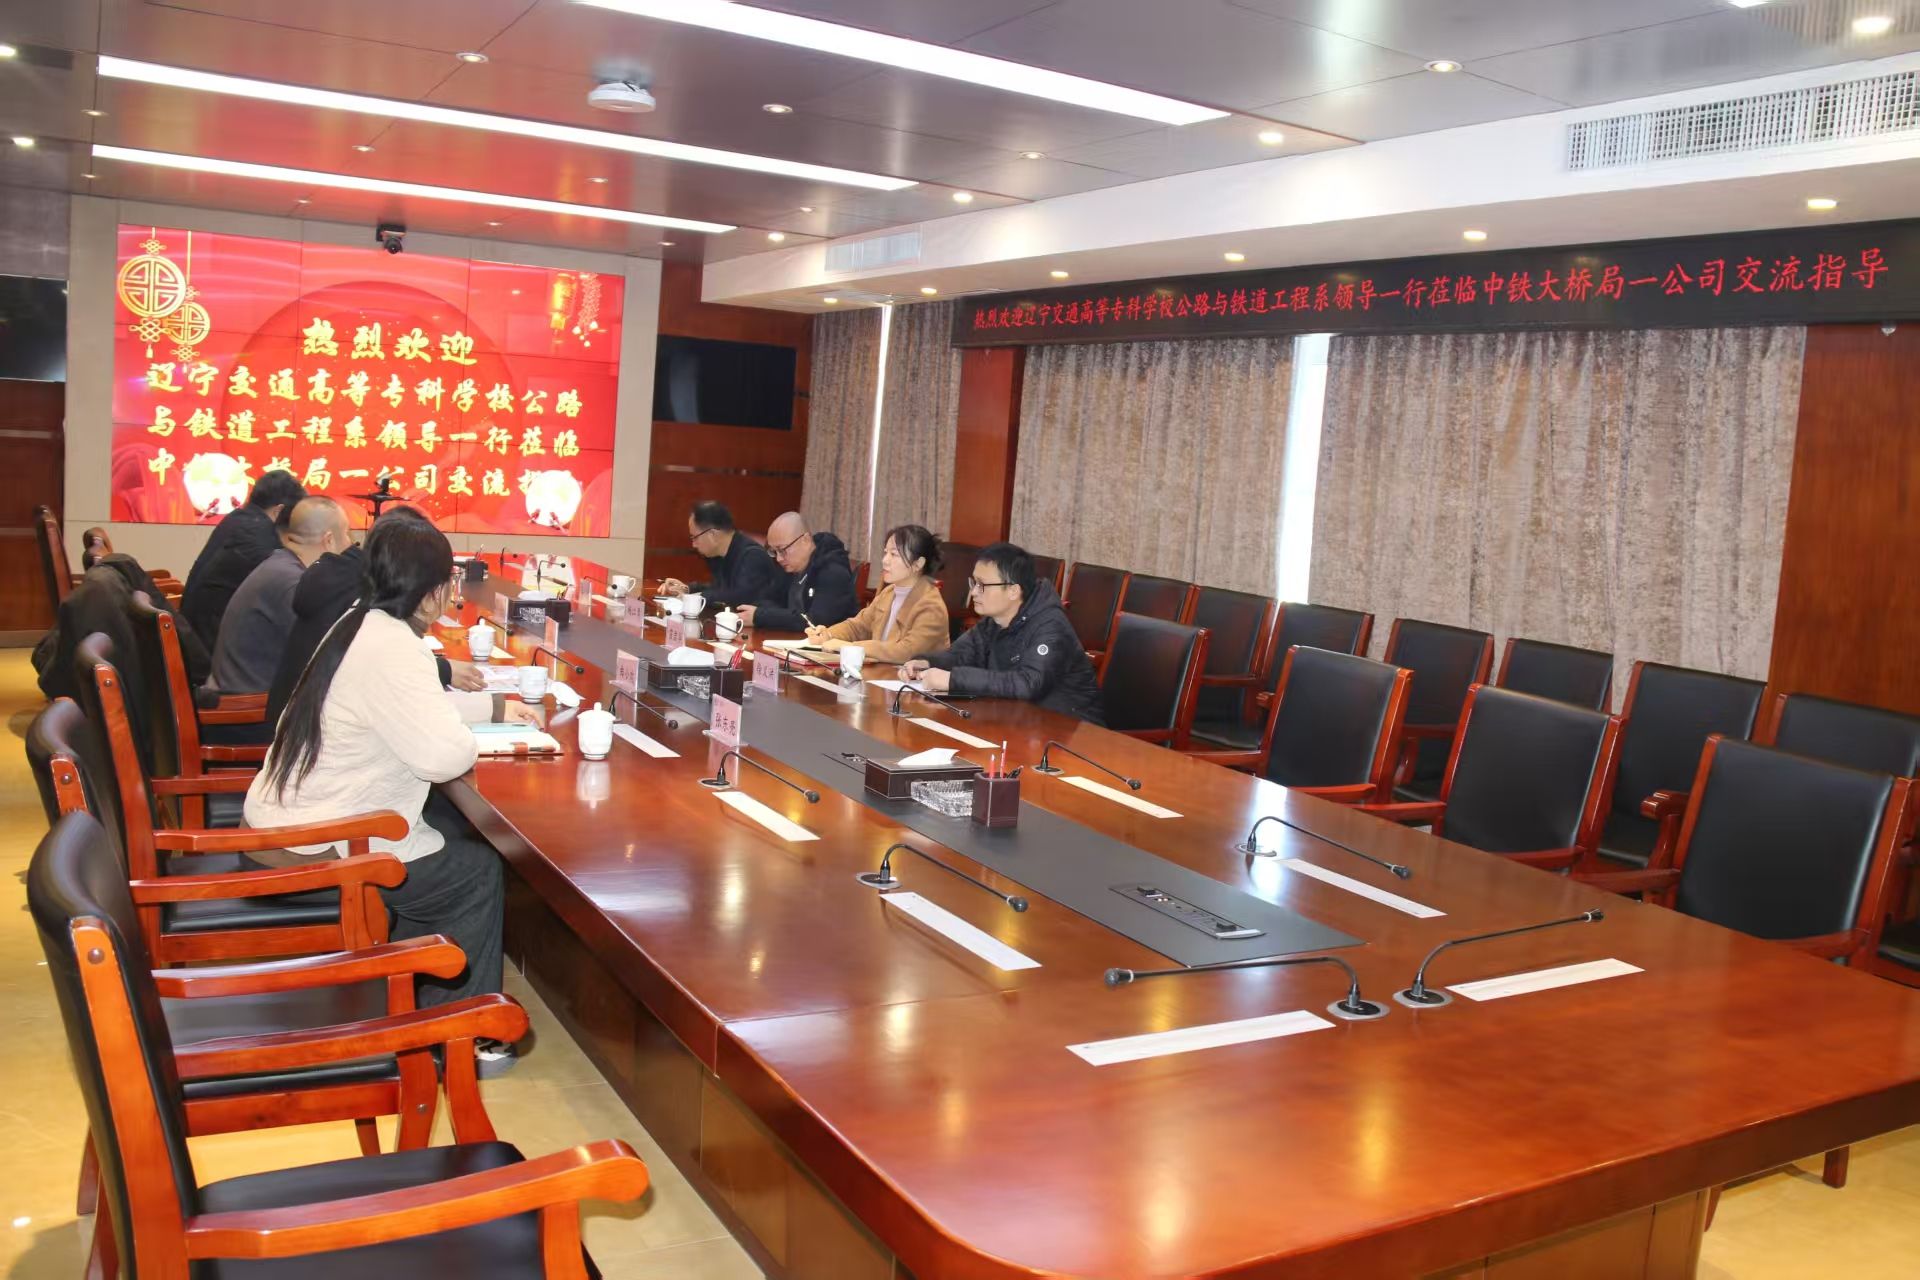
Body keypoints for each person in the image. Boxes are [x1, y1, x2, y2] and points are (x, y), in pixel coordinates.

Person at [245, 516, 538, 1071]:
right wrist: (473, 729)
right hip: (318, 843)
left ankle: (415, 992)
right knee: (475, 872)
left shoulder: (359, 621)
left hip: (287, 822)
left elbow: (404, 706)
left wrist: (494, 708)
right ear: (433, 593)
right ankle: (460, 1036)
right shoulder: (394, 647)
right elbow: (443, 755)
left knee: (445, 832)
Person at [266, 506, 486, 727]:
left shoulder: (344, 576)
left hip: (297, 724)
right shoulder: (363, 595)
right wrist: (444, 670)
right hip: (305, 729)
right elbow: (390, 668)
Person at [900, 540, 1104, 724]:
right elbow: (959, 655)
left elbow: (1028, 684)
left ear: (1013, 591)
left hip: (1071, 731)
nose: (973, 592)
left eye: (982, 585)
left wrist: (953, 680)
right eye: (974, 583)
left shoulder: (1050, 626)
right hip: (1019, 721)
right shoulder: (993, 621)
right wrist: (926, 663)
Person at [208, 496, 350, 694]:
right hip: (249, 704)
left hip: (241, 691)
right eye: (347, 534)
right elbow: (329, 649)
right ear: (329, 540)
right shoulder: (292, 583)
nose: (350, 543)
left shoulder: (281, 566)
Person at [181, 470, 306, 646]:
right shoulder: (259, 537)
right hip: (208, 647)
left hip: (195, 633)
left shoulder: (237, 519)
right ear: (279, 511)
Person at [804, 524, 948, 664]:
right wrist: (827, 635)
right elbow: (858, 626)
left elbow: (907, 652)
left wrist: (851, 647)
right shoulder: (889, 592)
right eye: (886, 553)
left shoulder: (931, 606)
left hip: (908, 678)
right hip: (881, 673)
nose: (885, 560)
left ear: (918, 564)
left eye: (894, 554)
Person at [738, 511, 858, 632]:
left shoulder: (833, 572)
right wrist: (769, 614)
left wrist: (762, 616)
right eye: (774, 552)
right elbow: (765, 601)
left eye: (782, 550)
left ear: (805, 540)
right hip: (789, 639)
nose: (779, 558)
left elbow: (815, 622)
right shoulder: (789, 566)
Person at [657, 500, 786, 608]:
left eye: (694, 537)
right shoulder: (720, 554)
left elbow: (739, 597)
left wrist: (692, 598)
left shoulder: (753, 556)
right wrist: (687, 589)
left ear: (712, 534)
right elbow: (719, 589)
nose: (693, 545)